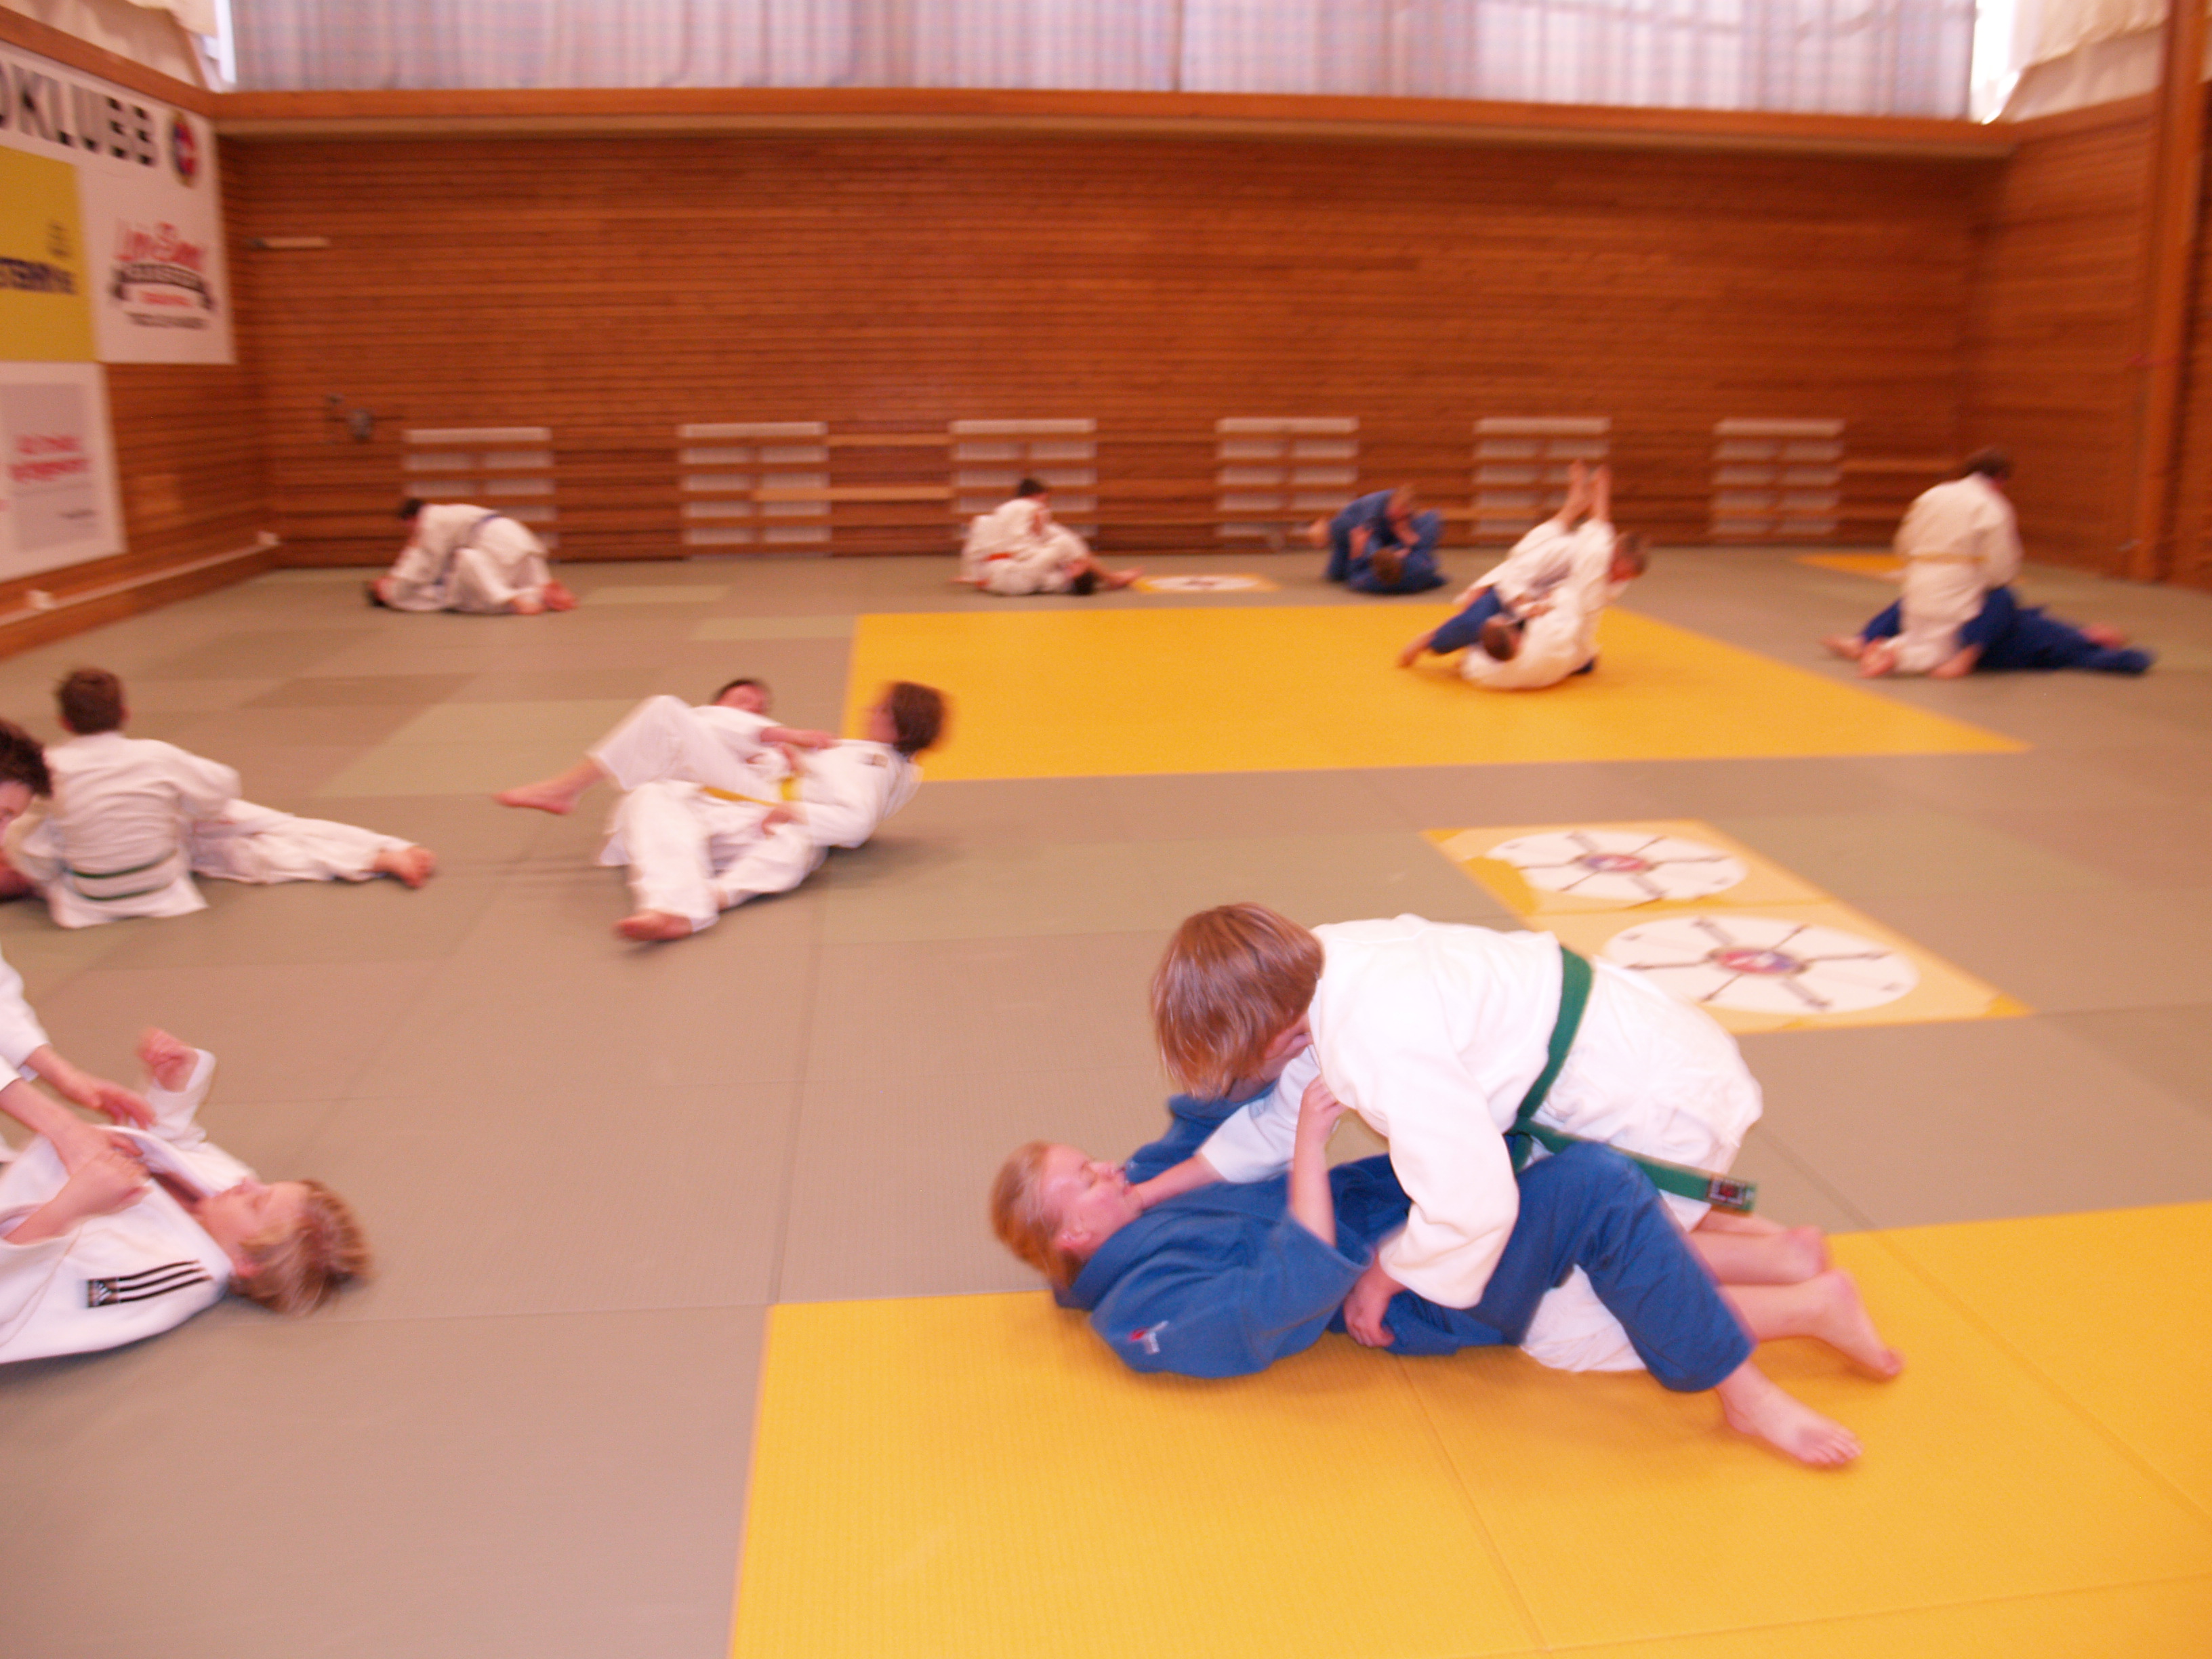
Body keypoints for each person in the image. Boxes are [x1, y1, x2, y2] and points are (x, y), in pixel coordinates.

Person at [991, 1075, 1893, 1466]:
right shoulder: (1141, 1311)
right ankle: (1752, 1374)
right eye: (1087, 1179)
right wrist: (1307, 1144)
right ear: (1073, 1231)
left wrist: (1270, 1024)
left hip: (1400, 1209)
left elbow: (1206, 1118)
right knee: (1589, 1187)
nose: (1108, 1167)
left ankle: (1780, 1258)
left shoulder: (1140, 1195)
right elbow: (1281, 1298)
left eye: (1091, 1159)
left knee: (1533, 1122)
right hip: (1422, 1299)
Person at [1144, 905, 1772, 1341]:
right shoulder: (1315, 967)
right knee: (1557, 1235)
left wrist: (1386, 1275)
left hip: (1657, 1105)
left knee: (1561, 1328)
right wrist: (1146, 1194)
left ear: (1276, 1035)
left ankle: (1801, 1304)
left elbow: (1472, 1204)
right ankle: (1772, 1247)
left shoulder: (1375, 1042)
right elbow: (1279, 1121)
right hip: (1644, 1042)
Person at [0, 1027, 370, 1362]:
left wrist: (69, 1206)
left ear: (245, 1261)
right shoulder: (225, 1195)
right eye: (266, 1186)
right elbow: (179, 1143)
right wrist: (170, 1092)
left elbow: (9, 1298)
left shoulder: (163, 1276)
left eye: (256, 1202)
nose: (249, 1183)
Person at [1, 670, 435, 929]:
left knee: (44, 829)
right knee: (257, 826)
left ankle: (378, 857)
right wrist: (189, 810)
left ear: (63, 721)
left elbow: (35, 853)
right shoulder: (154, 755)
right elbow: (221, 789)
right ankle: (383, 851)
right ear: (125, 714)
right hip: (163, 884)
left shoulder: (46, 769)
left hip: (89, 900)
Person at [600, 681, 945, 942]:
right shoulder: (872, 758)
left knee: (792, 845)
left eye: (881, 709)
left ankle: (684, 905)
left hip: (763, 820)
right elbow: (836, 787)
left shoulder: (874, 761)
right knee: (652, 796)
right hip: (742, 812)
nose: (870, 710)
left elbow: (856, 822)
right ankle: (688, 900)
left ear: (901, 727)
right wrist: (801, 762)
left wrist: (791, 810)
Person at [1396, 462, 1646, 686]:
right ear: (1612, 555)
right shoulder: (1574, 552)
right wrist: (1523, 604)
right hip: (1513, 592)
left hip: (1546, 609)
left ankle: (1572, 506)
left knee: (1585, 664)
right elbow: (1516, 573)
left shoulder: (1607, 571)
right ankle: (1428, 640)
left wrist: (1580, 650)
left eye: (1627, 578)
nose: (1620, 580)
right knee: (1473, 623)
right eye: (1620, 573)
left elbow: (1587, 614)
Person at [493, 677, 838, 819]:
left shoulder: (769, 736)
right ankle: (564, 790)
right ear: (718, 701)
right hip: (698, 791)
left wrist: (789, 744)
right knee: (663, 725)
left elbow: (782, 753)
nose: (752, 708)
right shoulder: (700, 721)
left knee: (662, 708)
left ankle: (563, 789)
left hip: (748, 789)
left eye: (759, 707)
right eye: (743, 699)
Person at [1820, 449, 2022, 679]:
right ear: (2000, 477)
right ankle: (1898, 657)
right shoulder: (1992, 504)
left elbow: (1904, 542)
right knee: (1946, 644)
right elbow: (2001, 564)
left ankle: (1872, 644)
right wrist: (1989, 583)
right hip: (1959, 584)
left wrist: (1918, 569)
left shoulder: (1933, 495)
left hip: (1919, 581)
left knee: (1916, 633)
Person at [1832, 585, 2152, 677]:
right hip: (1990, 626)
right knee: (1924, 595)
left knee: (2004, 595)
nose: (2103, 629)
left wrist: (2118, 652)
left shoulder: (2078, 650)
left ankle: (1963, 658)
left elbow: (2137, 661)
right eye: (2106, 627)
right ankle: (1865, 642)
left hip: (1991, 641)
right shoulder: (2072, 629)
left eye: (2111, 634)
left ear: (2109, 644)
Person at [370, 498, 577, 615]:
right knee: (523, 580)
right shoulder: (447, 514)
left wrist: (394, 582)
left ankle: (516, 600)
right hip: (515, 533)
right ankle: (543, 592)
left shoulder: (431, 522)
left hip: (493, 542)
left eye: (408, 528)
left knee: (469, 564)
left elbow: (427, 569)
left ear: (410, 519)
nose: (411, 533)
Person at [958, 478, 1140, 596]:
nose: (1047, 506)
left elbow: (974, 551)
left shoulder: (993, 517)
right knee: (1065, 543)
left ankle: (1093, 577)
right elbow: (1060, 543)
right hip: (1014, 575)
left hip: (992, 578)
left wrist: (975, 577)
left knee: (1056, 567)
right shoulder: (1034, 509)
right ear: (1038, 496)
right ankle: (1111, 578)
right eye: (1046, 500)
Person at [1309, 487, 1447, 594]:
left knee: (1337, 575)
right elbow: (1367, 538)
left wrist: (1359, 555)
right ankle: (1325, 529)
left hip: (1364, 540)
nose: (1397, 521)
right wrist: (1411, 543)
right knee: (1336, 574)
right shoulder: (1373, 508)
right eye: (1394, 516)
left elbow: (1355, 578)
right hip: (1348, 532)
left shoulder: (1370, 581)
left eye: (1400, 517)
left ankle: (1325, 532)